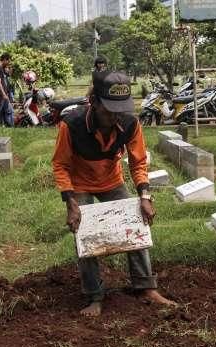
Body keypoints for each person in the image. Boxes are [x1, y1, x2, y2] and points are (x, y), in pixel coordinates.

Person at [52, 71, 176, 317]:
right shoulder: (72, 125)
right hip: (80, 183)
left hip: (111, 180)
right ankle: (94, 296)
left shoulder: (130, 123)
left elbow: (138, 162)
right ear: (94, 102)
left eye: (119, 109)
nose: (114, 115)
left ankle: (145, 286)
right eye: (109, 109)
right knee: (84, 234)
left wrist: (144, 196)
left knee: (136, 223)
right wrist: (70, 202)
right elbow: (60, 165)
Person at [0, 53, 13, 127]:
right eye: (8, 61)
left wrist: (9, 69)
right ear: (4, 59)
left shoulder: (2, 68)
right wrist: (3, 94)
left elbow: (8, 75)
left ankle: (7, 126)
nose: (8, 64)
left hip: (3, 94)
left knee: (7, 111)